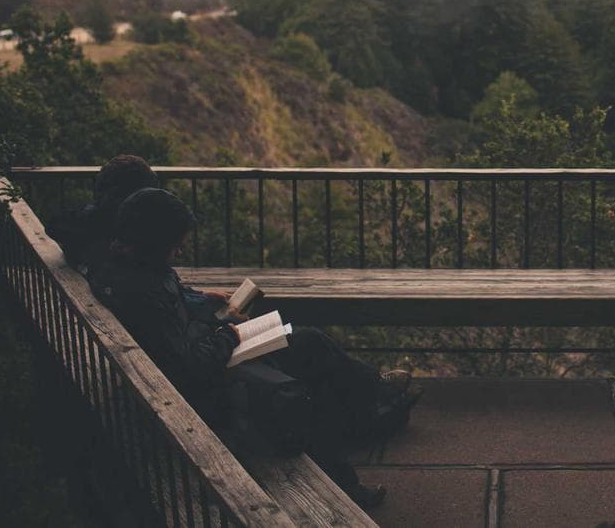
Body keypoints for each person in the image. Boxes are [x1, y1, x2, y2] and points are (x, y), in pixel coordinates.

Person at [90, 187, 416, 512]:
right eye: (176, 244)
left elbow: (172, 304)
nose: (180, 251)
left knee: (307, 341)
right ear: (156, 241)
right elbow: (188, 365)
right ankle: (361, 443)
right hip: (210, 389)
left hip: (205, 362)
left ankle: (373, 401)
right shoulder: (143, 290)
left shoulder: (130, 265)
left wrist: (203, 299)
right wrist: (229, 336)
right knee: (303, 384)